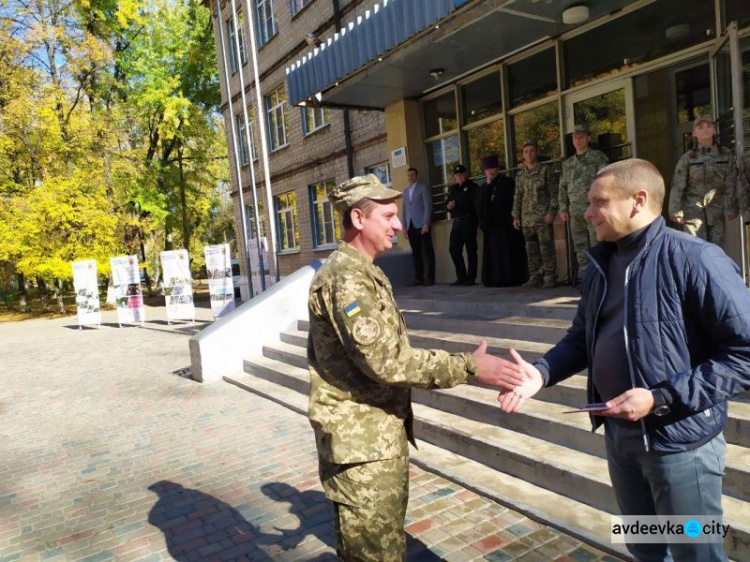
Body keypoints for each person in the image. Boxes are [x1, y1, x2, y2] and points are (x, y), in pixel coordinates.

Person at [497, 159, 750, 562]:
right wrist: (541, 373)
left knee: (697, 552)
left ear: (639, 201)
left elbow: (744, 356)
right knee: (643, 547)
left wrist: (660, 397)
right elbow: (581, 338)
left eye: (598, 201)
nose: (587, 212)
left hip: (681, 447)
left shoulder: (698, 259)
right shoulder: (601, 264)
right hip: (621, 441)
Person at [306, 174, 527, 561]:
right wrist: (469, 368)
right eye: (388, 216)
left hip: (373, 441)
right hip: (363, 449)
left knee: (386, 547)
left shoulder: (362, 271)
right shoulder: (348, 279)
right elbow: (386, 361)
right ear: (358, 219)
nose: (398, 225)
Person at [669, 115, 738, 247]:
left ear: (714, 130)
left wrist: (730, 207)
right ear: (694, 133)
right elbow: (678, 186)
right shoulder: (688, 158)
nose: (705, 129)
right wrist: (675, 210)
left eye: (709, 126)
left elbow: (731, 182)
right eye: (700, 127)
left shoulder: (725, 155)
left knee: (717, 251)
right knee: (695, 250)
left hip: (716, 213)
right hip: (693, 213)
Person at [558, 124, 609, 273]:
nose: (578, 140)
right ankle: (586, 275)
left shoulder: (597, 157)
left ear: (588, 138)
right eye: (575, 137)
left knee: (597, 243)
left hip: (594, 209)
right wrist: (563, 208)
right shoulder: (568, 164)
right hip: (575, 211)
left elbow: (606, 181)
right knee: (580, 245)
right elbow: (562, 187)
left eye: (581, 137)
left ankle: (600, 274)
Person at [513, 141, 558, 289]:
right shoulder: (521, 175)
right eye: (526, 151)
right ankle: (535, 277)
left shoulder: (546, 170)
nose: (529, 154)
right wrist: (516, 216)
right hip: (527, 219)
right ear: (523, 154)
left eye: (531, 151)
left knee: (546, 248)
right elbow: (518, 197)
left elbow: (554, 193)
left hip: (543, 218)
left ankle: (550, 277)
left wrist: (552, 211)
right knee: (531, 249)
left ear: (536, 152)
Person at [478, 154, 527, 287]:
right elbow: (481, 205)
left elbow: (514, 201)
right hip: (492, 226)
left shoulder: (507, 182)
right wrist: (487, 186)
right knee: (494, 254)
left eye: (494, 168)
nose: (491, 171)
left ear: (498, 168)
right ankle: (495, 280)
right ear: (485, 171)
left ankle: (511, 279)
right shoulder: (484, 187)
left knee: (509, 252)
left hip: (506, 224)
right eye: (489, 169)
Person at [446, 164, 480, 286]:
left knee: (471, 250)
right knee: (454, 250)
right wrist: (449, 206)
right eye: (456, 175)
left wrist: (457, 205)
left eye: (461, 174)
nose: (459, 177)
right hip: (457, 222)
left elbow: (475, 205)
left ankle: (471, 278)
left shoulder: (473, 187)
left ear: (466, 174)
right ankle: (461, 276)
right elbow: (447, 202)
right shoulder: (453, 188)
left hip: (469, 221)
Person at [401, 167, 435, 286]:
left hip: (422, 225)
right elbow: (404, 210)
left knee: (428, 251)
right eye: (409, 175)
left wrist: (426, 223)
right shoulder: (405, 191)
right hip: (411, 226)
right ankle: (418, 278)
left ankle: (430, 278)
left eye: (413, 175)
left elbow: (428, 206)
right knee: (416, 253)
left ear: (416, 175)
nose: (411, 177)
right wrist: (404, 227)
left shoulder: (423, 187)